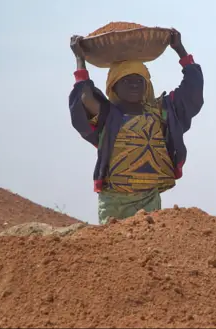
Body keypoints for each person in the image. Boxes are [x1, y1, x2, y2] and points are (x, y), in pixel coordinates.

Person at [68, 29, 204, 224]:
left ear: (147, 85)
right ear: (113, 86)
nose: (134, 85)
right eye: (127, 80)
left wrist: (180, 50)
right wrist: (80, 60)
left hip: (149, 200)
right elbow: (85, 97)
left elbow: (192, 91)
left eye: (139, 80)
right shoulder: (108, 116)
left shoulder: (161, 112)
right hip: (115, 202)